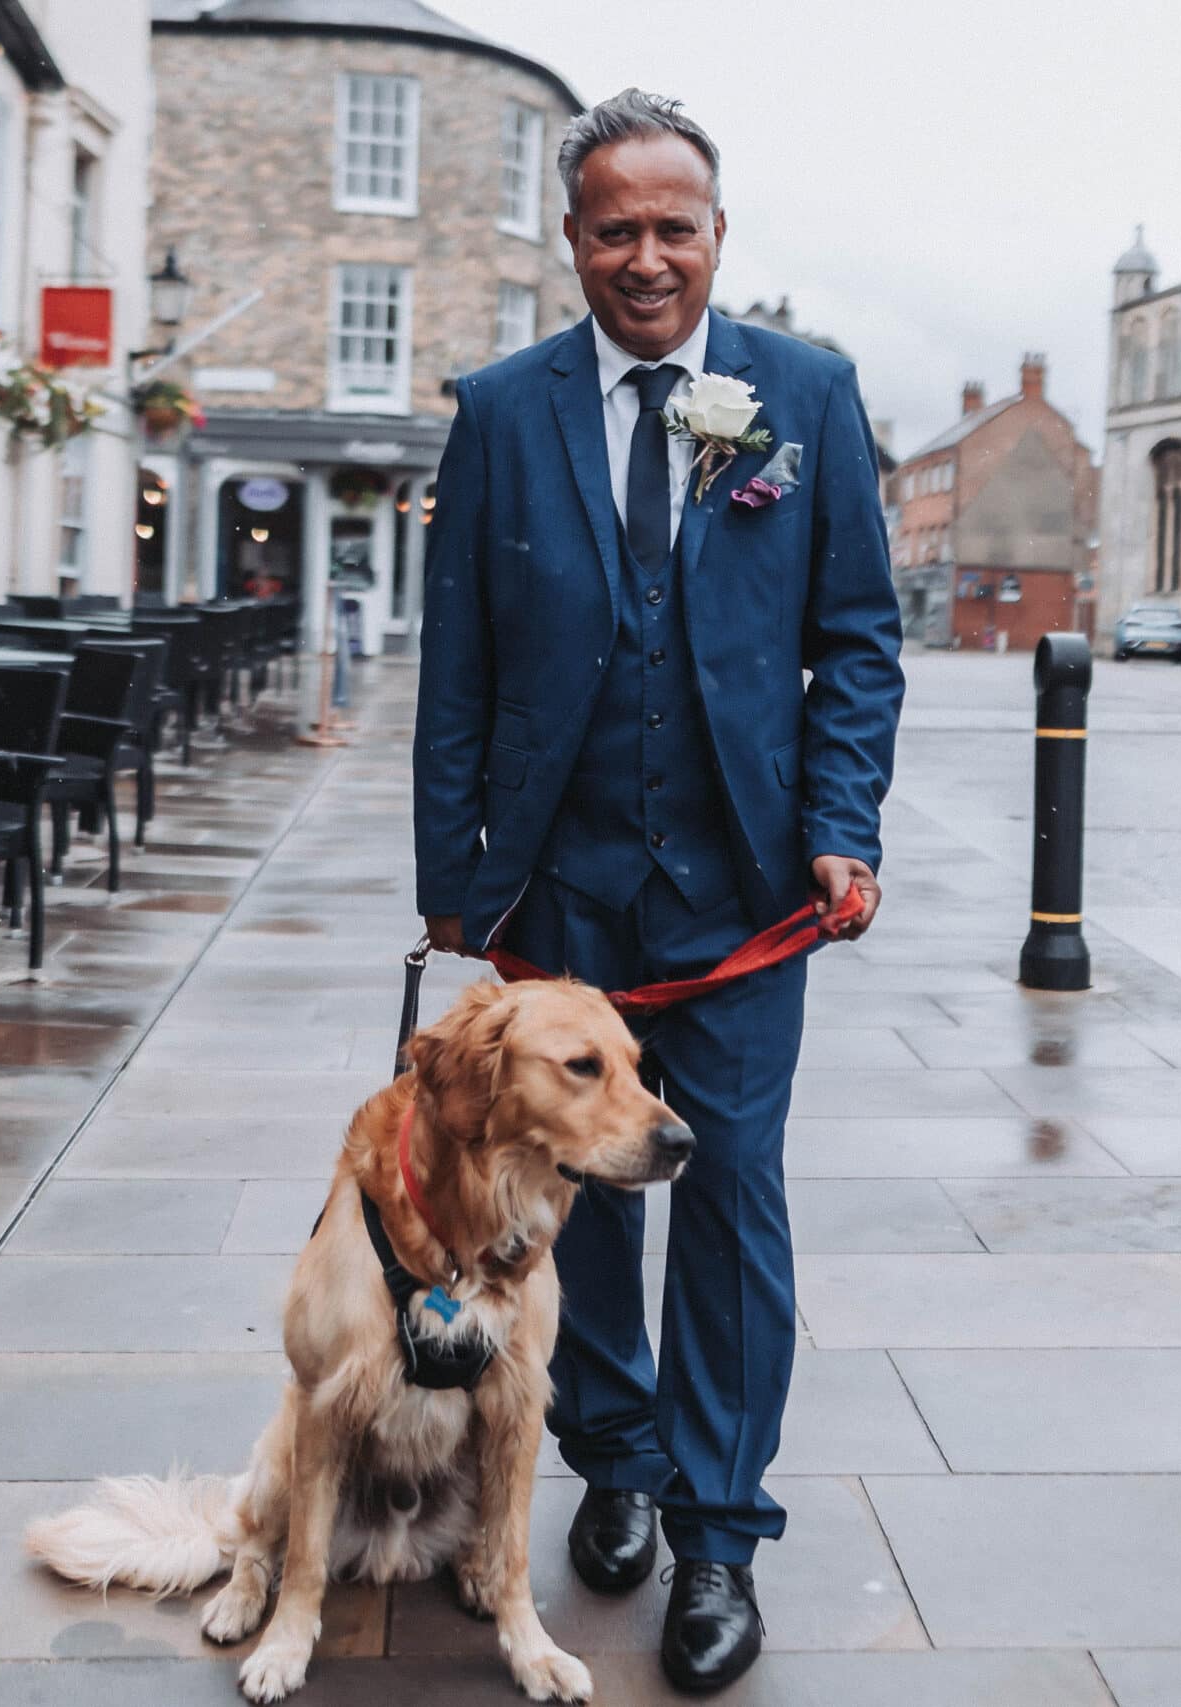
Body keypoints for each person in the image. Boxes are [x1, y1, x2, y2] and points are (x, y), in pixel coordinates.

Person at [411, 89, 903, 1693]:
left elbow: (857, 644)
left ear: (715, 234)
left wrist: (842, 824)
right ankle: (611, 1453)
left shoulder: (806, 398)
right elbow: (463, 669)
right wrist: (452, 878)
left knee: (733, 1196)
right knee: (579, 1194)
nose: (644, 255)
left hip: (747, 889)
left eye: (671, 226)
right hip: (564, 890)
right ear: (573, 240)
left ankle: (719, 1531)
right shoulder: (501, 410)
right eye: (612, 227)